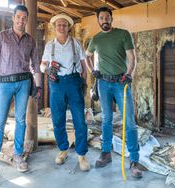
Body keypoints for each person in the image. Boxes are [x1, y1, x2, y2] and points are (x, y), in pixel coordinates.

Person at [0, 5, 41, 185]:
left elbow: (36, 64)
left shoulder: (31, 40)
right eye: (18, 17)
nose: (21, 20)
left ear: (27, 20)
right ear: (13, 18)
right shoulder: (2, 36)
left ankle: (18, 156)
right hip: (4, 83)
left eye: (24, 18)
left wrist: (38, 86)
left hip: (23, 82)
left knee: (21, 121)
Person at [86, 7, 142, 178]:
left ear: (111, 18)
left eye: (107, 17)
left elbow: (132, 57)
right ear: (98, 20)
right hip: (103, 82)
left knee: (129, 122)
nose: (104, 20)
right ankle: (106, 153)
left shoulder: (123, 34)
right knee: (106, 119)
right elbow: (87, 55)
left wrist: (129, 75)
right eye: (101, 17)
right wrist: (92, 70)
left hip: (121, 82)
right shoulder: (96, 39)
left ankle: (134, 160)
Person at [40, 14, 90, 171]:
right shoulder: (50, 46)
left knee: (80, 120)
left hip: (74, 81)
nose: (61, 27)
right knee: (58, 119)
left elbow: (83, 64)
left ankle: (81, 154)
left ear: (68, 27)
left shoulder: (76, 43)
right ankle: (63, 149)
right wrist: (47, 70)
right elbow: (42, 65)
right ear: (54, 28)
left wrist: (84, 84)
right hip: (56, 84)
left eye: (64, 25)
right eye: (58, 25)